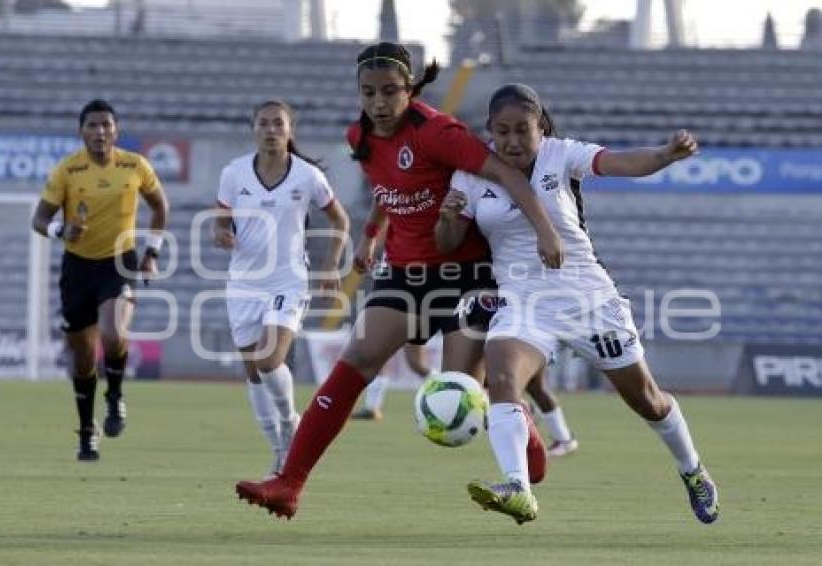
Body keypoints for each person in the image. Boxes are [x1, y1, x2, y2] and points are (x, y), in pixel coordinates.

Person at [235, 42, 564, 519]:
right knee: (356, 359)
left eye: (390, 91)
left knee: (459, 388)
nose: (378, 102)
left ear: (409, 90)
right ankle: (289, 483)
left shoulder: (439, 133)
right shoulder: (359, 137)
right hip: (405, 272)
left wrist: (546, 232)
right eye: (368, 93)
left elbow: (508, 174)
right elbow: (388, 189)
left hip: (467, 274)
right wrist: (371, 237)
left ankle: (525, 433)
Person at [436, 83, 720, 525]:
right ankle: (518, 487)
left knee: (647, 401)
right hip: (524, 302)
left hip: (589, 300)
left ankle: (693, 470)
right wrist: (449, 217)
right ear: (489, 131)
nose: (512, 141)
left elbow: (619, 161)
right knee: (503, 373)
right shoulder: (471, 174)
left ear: (541, 128)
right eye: (502, 131)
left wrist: (664, 155)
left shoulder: (561, 154)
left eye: (523, 131)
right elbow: (447, 242)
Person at [214, 100, 349, 479]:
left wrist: (330, 264)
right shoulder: (234, 173)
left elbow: (339, 219)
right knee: (253, 372)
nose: (271, 130)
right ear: (253, 129)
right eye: (263, 123)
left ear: (290, 130)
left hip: (288, 280)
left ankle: (291, 422)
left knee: (268, 359)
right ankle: (277, 449)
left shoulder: (307, 176)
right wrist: (221, 232)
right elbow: (220, 218)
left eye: (278, 124)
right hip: (243, 283)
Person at [31, 99, 169, 461]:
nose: (100, 131)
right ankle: (87, 433)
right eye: (92, 125)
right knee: (81, 357)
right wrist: (62, 229)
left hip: (119, 263)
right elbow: (39, 220)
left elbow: (160, 207)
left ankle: (116, 396)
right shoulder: (67, 170)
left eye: (106, 124)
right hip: (77, 268)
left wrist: (151, 254)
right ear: (82, 131)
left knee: (112, 333)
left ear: (116, 130)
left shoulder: (135, 165)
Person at [351, 343, 432, 421]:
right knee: (377, 359)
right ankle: (372, 408)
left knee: (417, 364)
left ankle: (441, 391)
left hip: (414, 328)